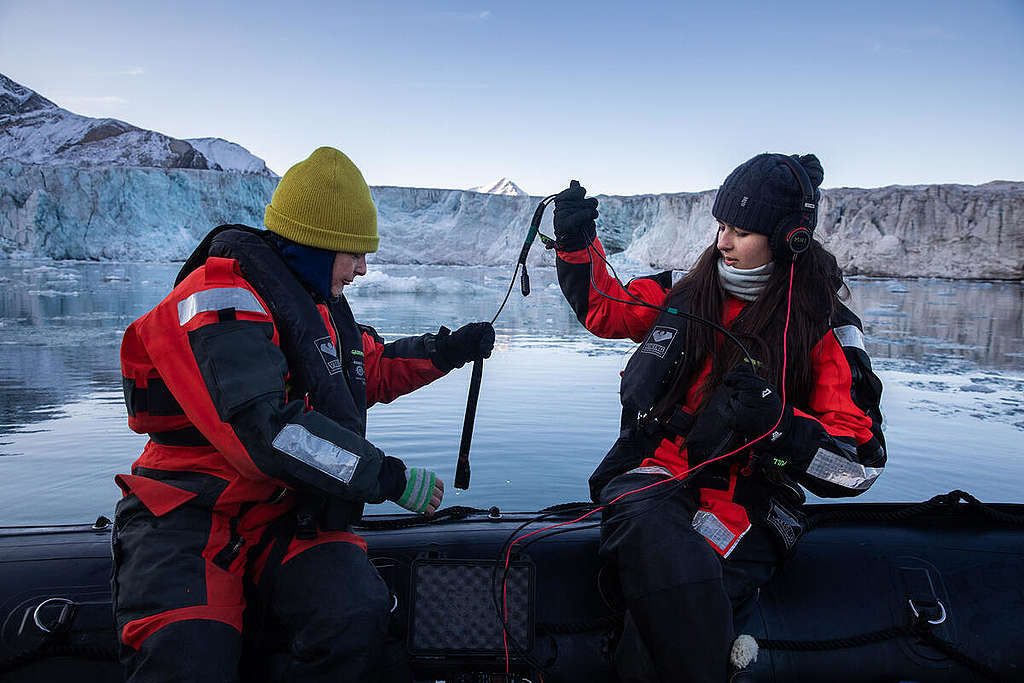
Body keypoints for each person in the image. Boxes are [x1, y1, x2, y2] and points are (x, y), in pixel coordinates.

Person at [114, 146, 495, 682]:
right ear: (316, 243)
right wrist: (387, 476)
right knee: (186, 651)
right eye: (354, 251)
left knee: (356, 614)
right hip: (188, 510)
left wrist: (447, 350)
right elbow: (268, 434)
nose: (363, 268)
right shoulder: (221, 299)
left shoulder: (311, 303)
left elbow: (371, 368)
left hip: (282, 512)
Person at [551, 153, 886, 683]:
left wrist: (780, 425)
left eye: (741, 230)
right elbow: (606, 307)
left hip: (749, 506)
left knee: (659, 609)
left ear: (789, 238)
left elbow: (858, 464)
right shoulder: (688, 290)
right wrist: (574, 243)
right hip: (655, 476)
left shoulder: (824, 327)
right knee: (654, 530)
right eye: (721, 226)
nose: (723, 242)